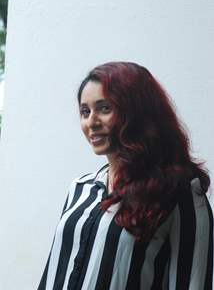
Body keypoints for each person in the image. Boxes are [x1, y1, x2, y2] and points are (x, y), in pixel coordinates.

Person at [38, 62, 213, 290]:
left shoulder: (182, 192)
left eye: (104, 108)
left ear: (137, 112)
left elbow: (192, 282)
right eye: (85, 111)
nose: (91, 122)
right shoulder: (80, 188)